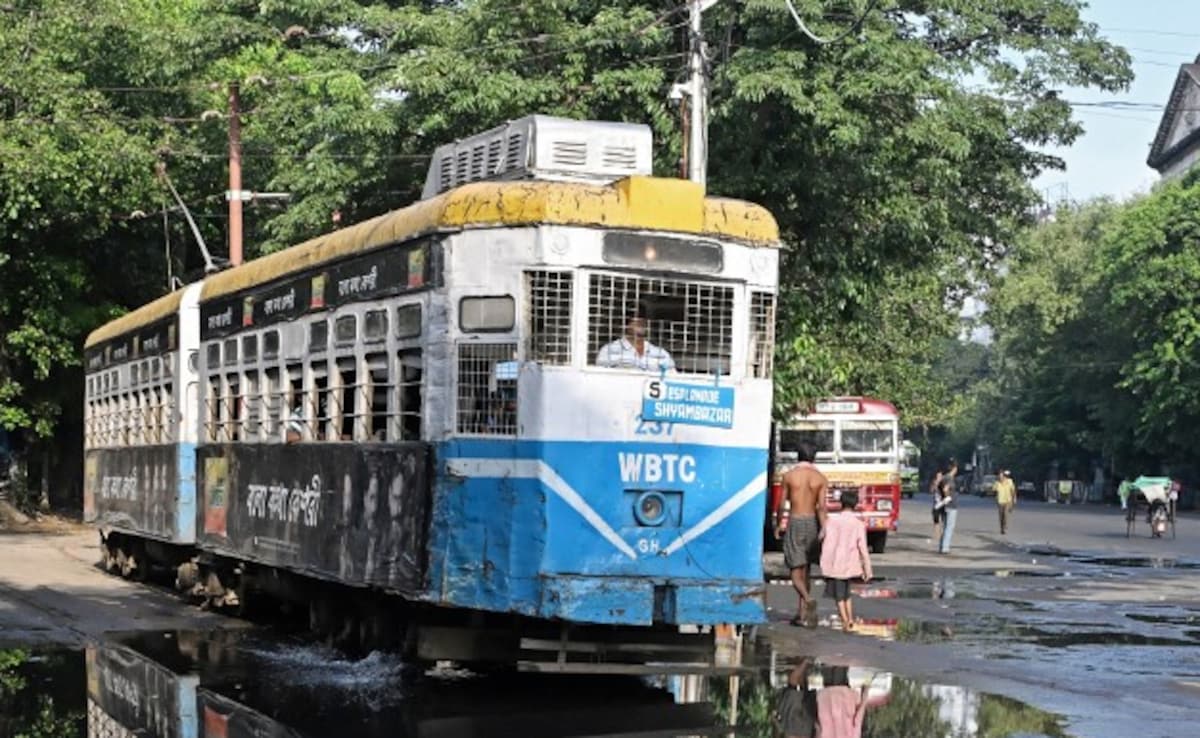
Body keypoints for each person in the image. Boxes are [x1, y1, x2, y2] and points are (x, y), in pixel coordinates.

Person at [777, 441, 829, 628]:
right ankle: (802, 615)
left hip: (796, 520)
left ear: (797, 456)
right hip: (812, 522)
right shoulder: (820, 478)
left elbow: (782, 504)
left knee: (795, 571)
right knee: (806, 571)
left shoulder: (789, 476)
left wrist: (777, 524)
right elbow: (821, 507)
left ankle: (807, 600)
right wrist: (824, 528)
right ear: (813, 458)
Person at [819, 488, 873, 632]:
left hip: (834, 563)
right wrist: (867, 569)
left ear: (841, 503)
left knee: (838, 596)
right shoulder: (858, 524)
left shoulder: (831, 520)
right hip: (849, 564)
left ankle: (845, 620)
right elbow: (863, 548)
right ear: (855, 505)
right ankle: (850, 618)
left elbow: (821, 536)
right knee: (846, 593)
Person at [595, 315, 674, 371]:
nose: (641, 323)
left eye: (643, 321)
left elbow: (673, 377)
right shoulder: (609, 350)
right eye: (635, 321)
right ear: (626, 325)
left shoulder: (660, 353)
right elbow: (598, 377)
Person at [774, 661, 817, 738]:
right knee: (794, 683)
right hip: (795, 724)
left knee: (800, 688)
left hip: (802, 727)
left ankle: (805, 664)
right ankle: (806, 661)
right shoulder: (789, 729)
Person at [934, 476, 957, 554]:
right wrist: (948, 497)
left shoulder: (943, 480)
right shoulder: (949, 479)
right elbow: (945, 490)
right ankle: (945, 548)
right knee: (949, 527)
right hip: (949, 506)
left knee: (945, 526)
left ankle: (942, 546)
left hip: (943, 507)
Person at [995, 469, 1016, 535]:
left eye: (1001, 475)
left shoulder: (1009, 481)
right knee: (1001, 516)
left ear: (1004, 476)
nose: (1000, 477)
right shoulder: (997, 483)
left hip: (1008, 500)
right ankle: (1002, 528)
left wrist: (1014, 499)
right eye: (999, 476)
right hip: (1000, 501)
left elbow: (1013, 490)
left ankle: (1005, 526)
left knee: (1005, 514)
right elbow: (994, 490)